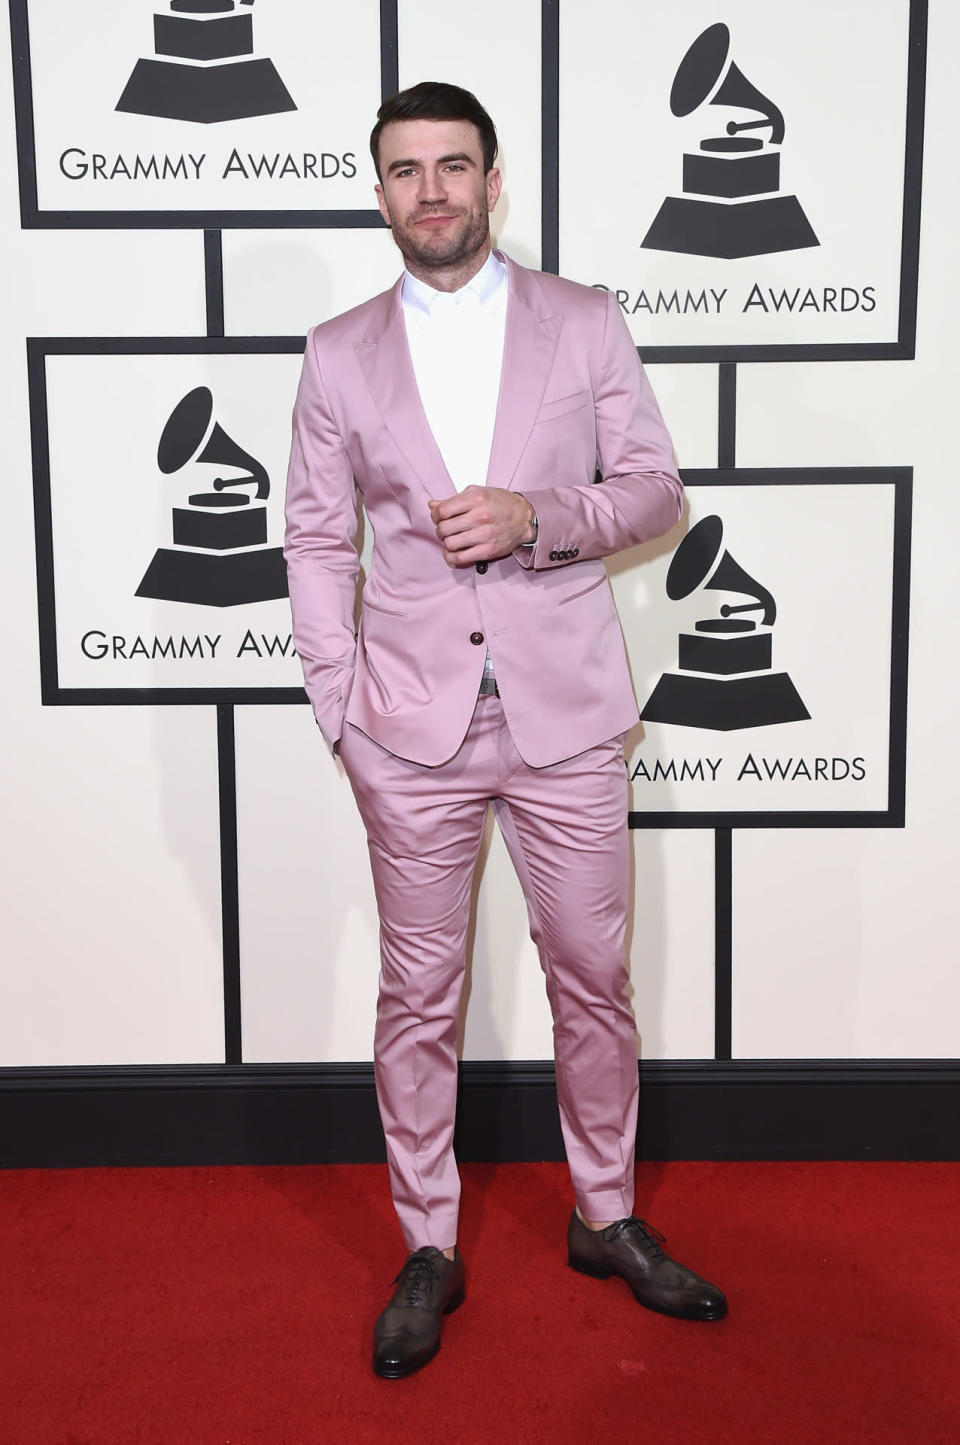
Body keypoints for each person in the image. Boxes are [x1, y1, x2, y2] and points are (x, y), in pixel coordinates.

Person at [284, 80, 726, 1379]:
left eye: (454, 166)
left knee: (595, 975)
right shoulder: (335, 351)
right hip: (407, 729)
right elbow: (316, 536)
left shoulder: (583, 322)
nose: (433, 190)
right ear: (381, 191)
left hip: (569, 719)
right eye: (407, 170)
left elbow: (654, 491)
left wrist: (543, 516)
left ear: (493, 182)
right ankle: (431, 1237)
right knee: (418, 994)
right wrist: (340, 702)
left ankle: (608, 1214)